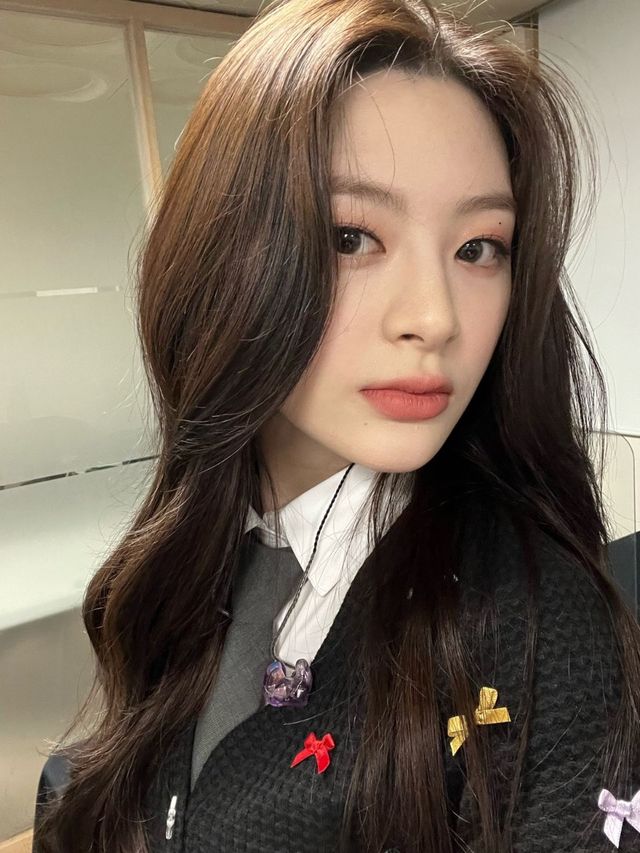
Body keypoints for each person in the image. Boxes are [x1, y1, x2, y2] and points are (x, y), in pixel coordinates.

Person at [33, 0, 640, 851]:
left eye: (478, 247)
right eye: (351, 236)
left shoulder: (538, 631)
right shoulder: (195, 548)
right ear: (222, 258)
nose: (434, 317)